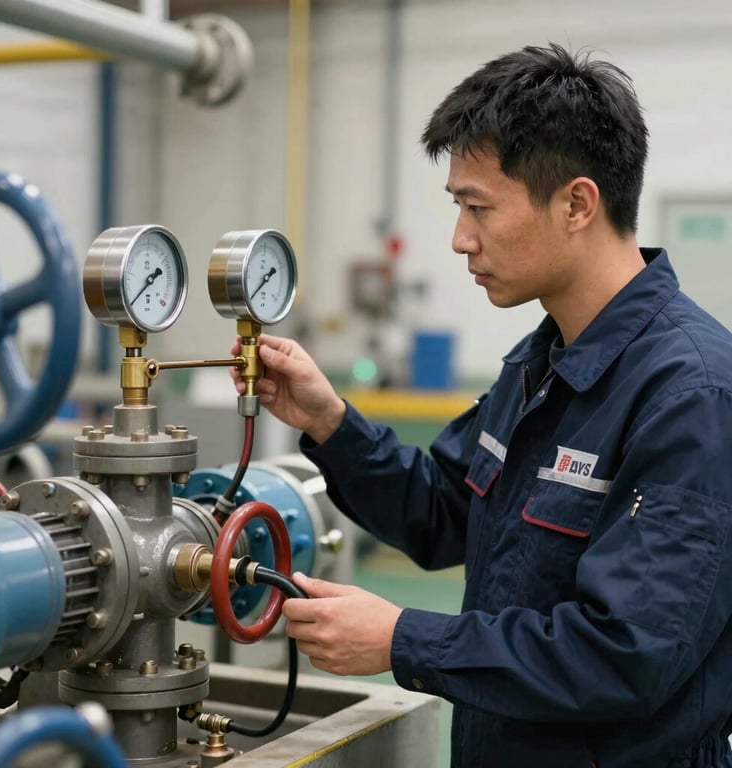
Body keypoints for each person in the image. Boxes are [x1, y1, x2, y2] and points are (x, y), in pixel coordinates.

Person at [231, 43, 732, 767]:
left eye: (479, 208)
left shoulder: (690, 394)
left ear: (577, 203)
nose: (461, 239)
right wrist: (328, 422)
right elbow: (442, 514)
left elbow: (626, 655)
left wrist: (403, 639)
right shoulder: (542, 362)